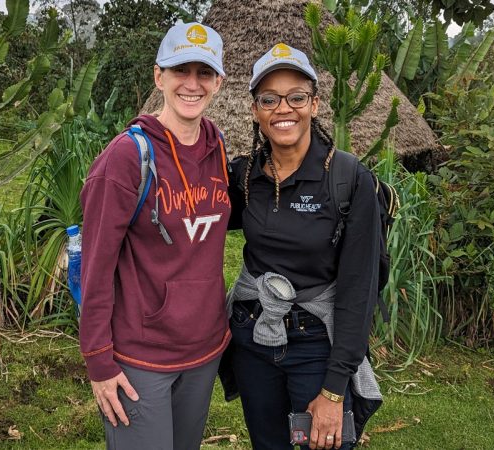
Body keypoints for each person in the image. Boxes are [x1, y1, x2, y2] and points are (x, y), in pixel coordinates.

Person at [79, 22, 231, 450]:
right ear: (158, 76)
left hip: (203, 352)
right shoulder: (126, 159)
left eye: (204, 73)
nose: (192, 84)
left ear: (218, 82)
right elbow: (95, 269)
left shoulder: (218, 149)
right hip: (139, 358)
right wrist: (99, 363)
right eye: (180, 70)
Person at [226, 43, 383, 450]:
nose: (283, 109)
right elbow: (191, 219)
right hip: (255, 338)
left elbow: (358, 288)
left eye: (296, 97)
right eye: (269, 99)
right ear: (255, 110)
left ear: (314, 105)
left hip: (317, 344)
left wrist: (334, 389)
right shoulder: (245, 178)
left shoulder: (348, 179)